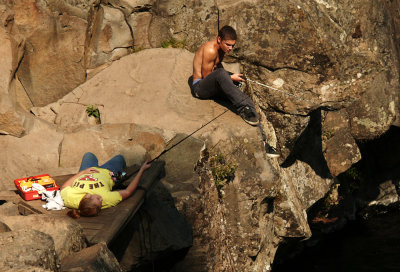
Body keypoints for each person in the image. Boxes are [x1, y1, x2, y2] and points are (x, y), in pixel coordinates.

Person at [191, 25, 258, 126]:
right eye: (228, 45)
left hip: (211, 82)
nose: (230, 48)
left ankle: (248, 106)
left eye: (233, 46)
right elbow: (207, 76)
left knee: (234, 79)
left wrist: (231, 77)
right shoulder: (210, 50)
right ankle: (244, 107)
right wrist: (229, 78)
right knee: (223, 75)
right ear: (219, 39)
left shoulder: (222, 49)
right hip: (199, 88)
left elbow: (217, 66)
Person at [60, 152, 151, 218]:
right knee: (119, 158)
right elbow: (128, 191)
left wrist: (83, 172)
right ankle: (120, 173)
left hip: (87, 170)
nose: (101, 199)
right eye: (101, 204)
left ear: (87, 196)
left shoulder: (70, 200)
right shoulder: (106, 199)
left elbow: (64, 187)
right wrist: (141, 170)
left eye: (98, 199)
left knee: (89, 155)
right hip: (108, 171)